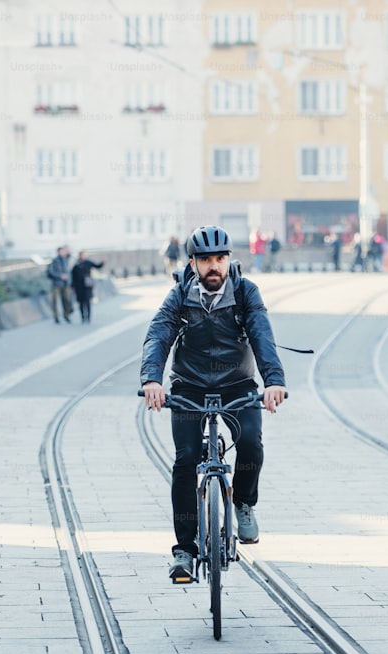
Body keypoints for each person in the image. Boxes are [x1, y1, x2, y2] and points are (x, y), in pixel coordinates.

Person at [141, 225, 286, 582]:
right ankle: (184, 551)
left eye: (219, 258)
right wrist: (152, 380)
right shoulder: (179, 294)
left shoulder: (246, 292)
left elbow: (262, 334)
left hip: (238, 386)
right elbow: (159, 333)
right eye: (205, 260)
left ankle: (244, 503)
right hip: (188, 386)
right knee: (186, 460)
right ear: (192, 262)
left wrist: (274, 382)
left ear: (229, 260)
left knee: (251, 441)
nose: (213, 266)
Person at [70, 250, 105, 324]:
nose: (84, 256)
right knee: (81, 303)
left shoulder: (88, 263)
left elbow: (97, 266)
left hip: (87, 285)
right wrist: (73, 286)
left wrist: (102, 263)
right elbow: (73, 276)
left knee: (88, 302)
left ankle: (88, 317)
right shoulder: (76, 265)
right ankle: (83, 317)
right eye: (83, 255)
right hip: (79, 286)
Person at [47, 245, 74, 324]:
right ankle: (56, 317)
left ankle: (66, 315)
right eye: (62, 251)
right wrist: (60, 276)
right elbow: (50, 272)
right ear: (59, 252)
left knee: (67, 300)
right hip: (57, 284)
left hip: (66, 284)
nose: (64, 252)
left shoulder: (66, 260)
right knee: (55, 301)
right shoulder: (55, 260)